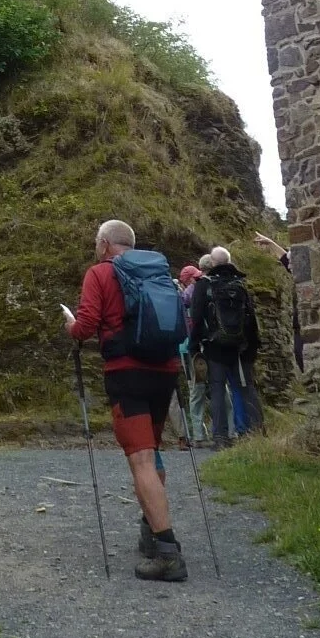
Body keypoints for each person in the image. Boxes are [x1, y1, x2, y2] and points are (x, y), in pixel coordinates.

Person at [64, 218, 187, 581]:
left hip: (127, 373)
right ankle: (151, 531)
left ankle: (167, 552)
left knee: (142, 459)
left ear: (104, 243)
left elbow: (86, 326)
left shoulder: (99, 274)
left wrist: (70, 326)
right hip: (164, 371)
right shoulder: (157, 272)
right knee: (154, 451)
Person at [187, 244, 264, 445]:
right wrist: (252, 346)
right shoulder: (240, 284)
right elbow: (251, 317)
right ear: (229, 262)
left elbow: (196, 318)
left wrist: (194, 347)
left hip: (214, 346)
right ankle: (256, 433)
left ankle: (220, 436)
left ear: (211, 263)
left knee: (218, 389)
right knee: (246, 388)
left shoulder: (204, 284)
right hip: (240, 348)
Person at [253, 227, 306, 373]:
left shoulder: (307, 275)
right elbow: (285, 259)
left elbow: (287, 260)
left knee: (304, 359)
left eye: (292, 262)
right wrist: (270, 244)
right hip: (299, 325)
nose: (289, 265)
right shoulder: (302, 272)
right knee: (301, 359)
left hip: (303, 326)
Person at [177, 262, 210, 445]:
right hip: (194, 348)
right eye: (195, 277)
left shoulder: (184, 295)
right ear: (189, 279)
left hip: (187, 347)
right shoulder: (191, 292)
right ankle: (201, 433)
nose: (198, 279)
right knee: (199, 389)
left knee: (196, 389)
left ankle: (199, 433)